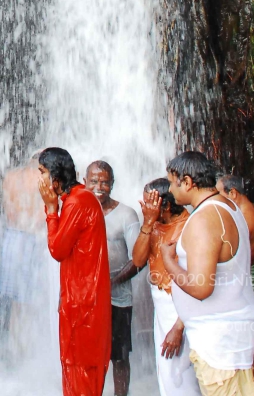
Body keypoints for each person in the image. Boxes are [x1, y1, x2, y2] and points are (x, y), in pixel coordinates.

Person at [162, 152, 254, 396]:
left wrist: (168, 261)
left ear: (187, 182)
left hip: (218, 342)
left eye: (172, 183)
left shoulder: (205, 218)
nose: (170, 190)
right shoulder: (229, 206)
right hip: (231, 332)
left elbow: (201, 288)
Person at [38, 147, 111, 396]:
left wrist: (51, 209)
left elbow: (57, 249)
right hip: (80, 301)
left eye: (42, 172)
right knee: (75, 370)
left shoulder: (78, 201)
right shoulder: (78, 198)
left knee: (80, 372)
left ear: (56, 177)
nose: (39, 179)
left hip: (84, 307)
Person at [131, 178, 199, 396]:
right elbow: (138, 260)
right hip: (161, 302)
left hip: (181, 307)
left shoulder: (189, 228)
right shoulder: (154, 224)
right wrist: (147, 224)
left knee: (180, 371)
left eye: (149, 203)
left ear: (166, 205)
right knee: (167, 370)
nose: (144, 207)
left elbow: (198, 285)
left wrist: (178, 327)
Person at [84, 161, 139, 396]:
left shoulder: (127, 214)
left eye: (105, 182)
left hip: (118, 299)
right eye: (94, 181)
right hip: (87, 298)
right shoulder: (80, 211)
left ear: (113, 184)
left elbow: (138, 259)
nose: (99, 187)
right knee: (88, 354)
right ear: (84, 182)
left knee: (120, 355)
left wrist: (110, 284)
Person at [0, 149, 49, 356]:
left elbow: (8, 211)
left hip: (12, 239)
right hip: (33, 239)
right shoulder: (43, 178)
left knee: (16, 301)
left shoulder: (10, 177)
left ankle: (14, 349)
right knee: (34, 299)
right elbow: (44, 214)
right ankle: (31, 352)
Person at [217, 175, 254, 381]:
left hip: (244, 278)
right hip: (251, 273)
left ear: (233, 193)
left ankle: (250, 387)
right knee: (253, 340)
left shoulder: (244, 220)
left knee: (250, 342)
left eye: (219, 193)